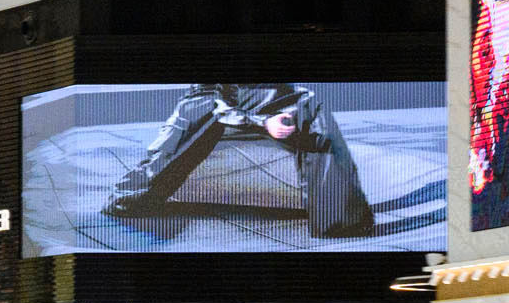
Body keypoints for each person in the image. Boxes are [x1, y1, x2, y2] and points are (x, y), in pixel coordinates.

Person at [99, 83, 374, 238]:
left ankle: (339, 217)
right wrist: (262, 122)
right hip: (216, 102)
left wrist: (286, 115)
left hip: (268, 101)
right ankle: (130, 197)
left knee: (313, 108)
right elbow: (214, 103)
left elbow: (290, 94)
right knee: (197, 114)